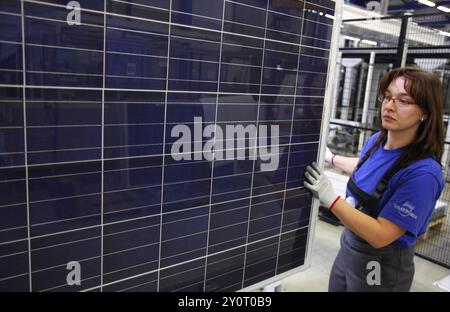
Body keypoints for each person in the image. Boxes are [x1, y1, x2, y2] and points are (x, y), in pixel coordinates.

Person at [304, 67, 445, 292]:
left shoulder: (423, 175)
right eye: (387, 97)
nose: (389, 106)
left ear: (425, 113)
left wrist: (331, 199)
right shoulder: (377, 142)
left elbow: (381, 235)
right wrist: (331, 158)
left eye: (403, 101)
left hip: (379, 264)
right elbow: (366, 167)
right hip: (350, 247)